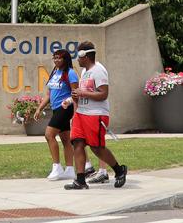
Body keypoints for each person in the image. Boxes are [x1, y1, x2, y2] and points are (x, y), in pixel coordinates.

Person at [65, 41, 128, 190]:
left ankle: (119, 170)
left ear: (85, 56)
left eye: (79, 56)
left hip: (96, 115)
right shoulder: (84, 72)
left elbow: (103, 94)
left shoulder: (99, 71)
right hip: (81, 113)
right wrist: (71, 98)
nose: (77, 60)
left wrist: (82, 93)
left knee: (96, 147)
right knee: (77, 143)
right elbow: (82, 92)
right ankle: (80, 180)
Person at [33, 49, 79, 181]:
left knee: (49, 135)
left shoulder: (71, 74)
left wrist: (75, 113)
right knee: (65, 139)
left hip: (65, 108)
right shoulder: (54, 73)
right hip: (56, 108)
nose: (56, 60)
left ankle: (57, 167)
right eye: (55, 58)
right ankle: (70, 169)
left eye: (59, 58)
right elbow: (48, 94)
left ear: (65, 59)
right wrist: (39, 108)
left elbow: (76, 94)